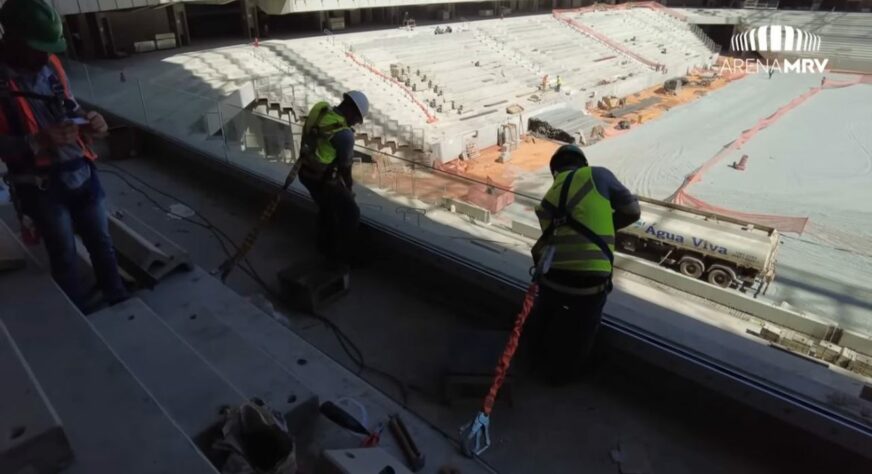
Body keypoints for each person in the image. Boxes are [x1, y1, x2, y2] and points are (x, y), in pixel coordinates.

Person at [0, 0, 127, 309]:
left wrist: (89, 120)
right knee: (64, 256)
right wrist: (37, 141)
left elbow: (67, 105)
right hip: (42, 186)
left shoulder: (50, 63)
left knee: (102, 243)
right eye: (37, 48)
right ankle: (80, 315)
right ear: (13, 40)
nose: (45, 56)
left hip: (82, 172)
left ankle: (118, 299)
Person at [525, 145, 640, 384]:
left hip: (553, 279)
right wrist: (605, 226)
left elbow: (555, 240)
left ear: (554, 172)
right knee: (585, 327)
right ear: (582, 164)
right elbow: (632, 211)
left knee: (546, 313)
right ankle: (567, 373)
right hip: (591, 282)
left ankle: (533, 359)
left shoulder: (546, 202)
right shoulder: (599, 175)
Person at [298, 91, 369, 264]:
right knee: (351, 213)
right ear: (351, 110)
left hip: (304, 171)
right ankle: (342, 257)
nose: (355, 124)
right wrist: (349, 189)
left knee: (327, 210)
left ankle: (324, 247)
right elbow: (345, 168)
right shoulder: (344, 135)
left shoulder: (320, 109)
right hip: (321, 179)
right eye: (357, 119)